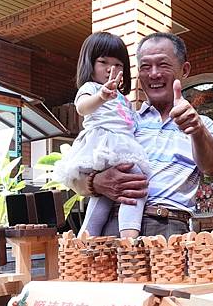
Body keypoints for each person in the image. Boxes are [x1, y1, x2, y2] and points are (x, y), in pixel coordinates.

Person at [71, 32, 213, 238]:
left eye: (163, 64)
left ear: (184, 70)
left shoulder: (202, 125)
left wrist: (196, 130)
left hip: (168, 227)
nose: (153, 74)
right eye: (145, 67)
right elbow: (75, 176)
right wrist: (96, 183)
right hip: (114, 225)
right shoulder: (125, 122)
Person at [54, 32, 149, 239]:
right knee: (136, 182)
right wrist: (101, 96)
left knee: (104, 197)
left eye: (118, 65)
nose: (110, 69)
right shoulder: (91, 88)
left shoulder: (123, 98)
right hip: (103, 146)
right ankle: (129, 237)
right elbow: (82, 108)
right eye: (103, 62)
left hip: (120, 145)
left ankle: (85, 239)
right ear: (90, 63)